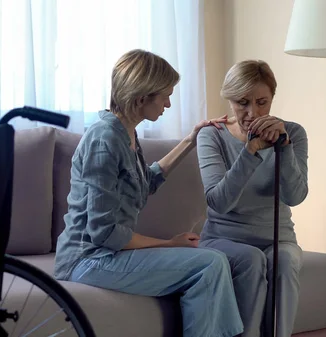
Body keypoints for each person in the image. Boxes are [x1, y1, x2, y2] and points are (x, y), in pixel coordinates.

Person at [53, 49, 244, 337]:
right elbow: (104, 233)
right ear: (141, 96)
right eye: (165, 95)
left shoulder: (126, 132)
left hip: (106, 254)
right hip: (88, 260)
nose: (168, 103)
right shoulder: (104, 140)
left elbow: (146, 181)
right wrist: (169, 244)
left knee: (213, 261)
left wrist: (190, 140)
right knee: (209, 264)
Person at [196, 59, 308, 337]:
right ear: (229, 99)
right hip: (225, 239)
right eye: (242, 102)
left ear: (271, 98)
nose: (252, 112)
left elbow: (295, 196)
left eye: (262, 102)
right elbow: (219, 202)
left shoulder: (292, 133)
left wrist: (284, 148)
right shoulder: (212, 135)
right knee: (252, 258)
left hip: (278, 238)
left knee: (284, 261)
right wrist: (251, 152)